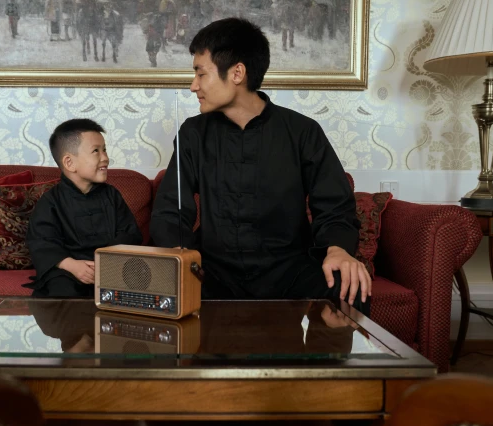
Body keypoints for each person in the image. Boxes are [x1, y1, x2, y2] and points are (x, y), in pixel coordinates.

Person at [149, 18, 371, 315]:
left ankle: (326, 361)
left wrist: (337, 249)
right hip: (213, 273)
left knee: (348, 283)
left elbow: (334, 205)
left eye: (201, 74)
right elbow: (171, 209)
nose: (193, 86)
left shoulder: (302, 132)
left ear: (237, 73)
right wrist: (178, 251)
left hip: (289, 271)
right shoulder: (193, 133)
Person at [25, 119, 143, 298]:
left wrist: (106, 262)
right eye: (96, 151)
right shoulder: (51, 201)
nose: (105, 157)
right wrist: (72, 265)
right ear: (69, 163)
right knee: (60, 285)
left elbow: (129, 232)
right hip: (70, 270)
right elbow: (42, 242)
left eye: (104, 149)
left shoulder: (112, 195)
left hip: (111, 266)